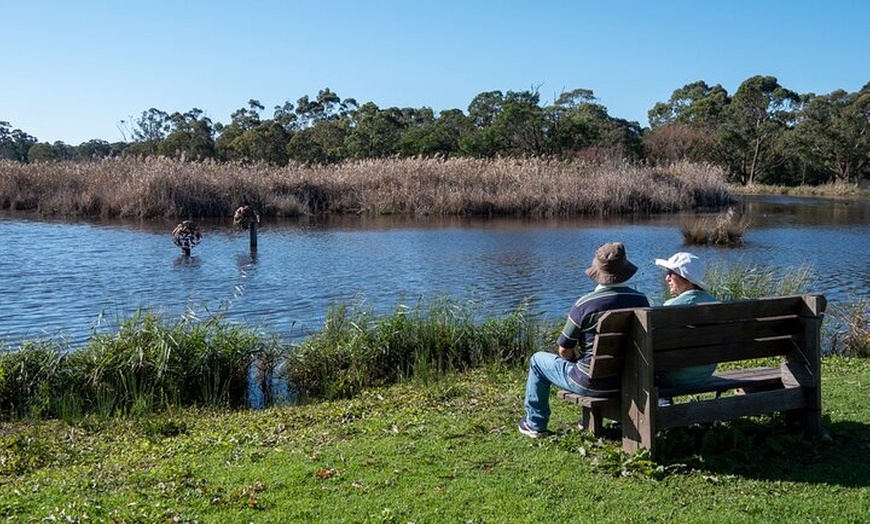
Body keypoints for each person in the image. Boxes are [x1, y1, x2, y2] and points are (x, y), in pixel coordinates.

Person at [518, 242, 650, 438]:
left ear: (597, 271)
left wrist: (574, 360)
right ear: (625, 270)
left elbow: (563, 350)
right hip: (627, 380)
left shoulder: (585, 305)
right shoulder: (641, 301)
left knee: (537, 360)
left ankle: (535, 423)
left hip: (590, 383)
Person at [653, 252, 719, 388]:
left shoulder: (670, 307)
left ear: (685, 278)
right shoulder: (717, 305)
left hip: (674, 377)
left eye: (671, 273)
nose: (667, 278)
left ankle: (663, 404)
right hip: (703, 375)